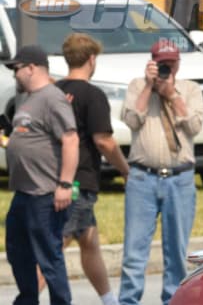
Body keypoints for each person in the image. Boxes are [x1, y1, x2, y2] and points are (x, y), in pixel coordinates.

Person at [38, 33, 129, 305]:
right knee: (54, 249)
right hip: (77, 183)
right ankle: (28, 298)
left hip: (55, 177)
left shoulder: (52, 92)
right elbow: (104, 141)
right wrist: (125, 170)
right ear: (92, 59)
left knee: (89, 243)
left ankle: (109, 300)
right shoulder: (93, 95)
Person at [119, 39, 203, 305]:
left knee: (176, 254)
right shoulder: (137, 86)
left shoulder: (190, 89)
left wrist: (171, 95)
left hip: (180, 180)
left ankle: (173, 301)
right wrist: (149, 86)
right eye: (161, 64)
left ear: (178, 64)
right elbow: (131, 119)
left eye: (170, 64)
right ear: (152, 63)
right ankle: (128, 301)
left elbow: (194, 126)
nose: (166, 69)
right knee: (134, 253)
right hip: (142, 179)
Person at [4, 45, 79, 305]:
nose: (15, 74)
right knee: (17, 250)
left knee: (48, 256)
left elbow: (70, 139)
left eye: (17, 69)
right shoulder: (32, 99)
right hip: (24, 193)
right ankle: (27, 300)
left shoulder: (51, 98)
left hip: (45, 194)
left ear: (32, 68)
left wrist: (65, 184)